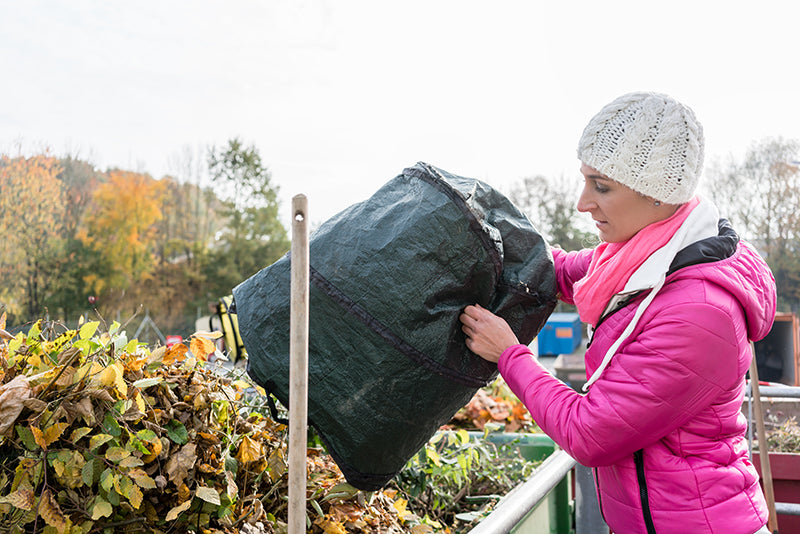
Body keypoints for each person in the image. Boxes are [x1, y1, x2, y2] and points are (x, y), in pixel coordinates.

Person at [460, 92, 777, 534]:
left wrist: (511, 356)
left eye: (602, 186)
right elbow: (561, 272)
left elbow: (588, 433)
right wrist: (490, 244)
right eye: (586, 180)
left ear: (658, 195)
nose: (582, 203)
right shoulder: (646, 256)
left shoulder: (699, 315)